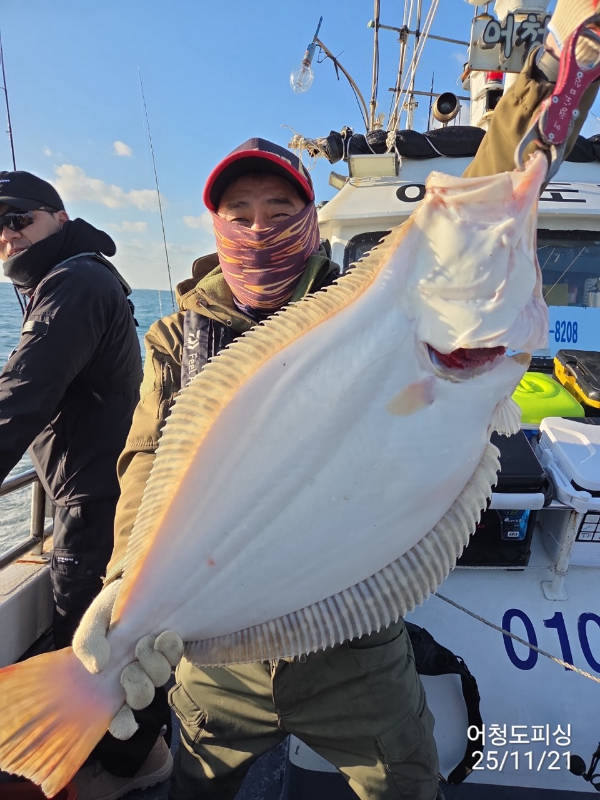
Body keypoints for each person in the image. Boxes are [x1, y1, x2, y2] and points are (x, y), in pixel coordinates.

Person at [76, 2, 600, 799]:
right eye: (240, 215)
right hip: (221, 661)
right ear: (216, 226)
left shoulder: (370, 300)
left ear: (311, 219)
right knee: (197, 786)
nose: (260, 230)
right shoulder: (177, 336)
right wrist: (124, 580)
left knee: (405, 782)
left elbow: (490, 185)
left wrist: (552, 68)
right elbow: (148, 460)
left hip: (355, 650)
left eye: (280, 212)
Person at [0, 172, 172, 795]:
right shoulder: (82, 273)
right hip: (102, 491)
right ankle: (133, 754)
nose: (7, 236)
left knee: (93, 646)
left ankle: (127, 766)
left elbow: (21, 395)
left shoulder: (72, 282)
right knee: (112, 640)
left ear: (59, 216)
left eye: (18, 219)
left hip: (93, 501)